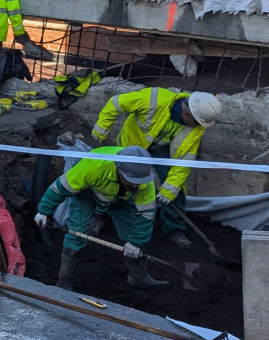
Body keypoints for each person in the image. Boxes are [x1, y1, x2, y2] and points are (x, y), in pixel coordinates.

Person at [90, 88, 222, 249]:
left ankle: (174, 230)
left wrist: (169, 190)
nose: (199, 126)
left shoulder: (197, 127)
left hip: (164, 150)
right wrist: (102, 128)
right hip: (133, 146)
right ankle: (99, 214)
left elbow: (184, 162)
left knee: (176, 191)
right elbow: (115, 103)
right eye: (197, 122)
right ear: (187, 113)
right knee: (119, 183)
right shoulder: (154, 99)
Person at [35, 145, 168, 291]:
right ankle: (64, 282)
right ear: (119, 170)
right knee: (77, 234)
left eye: (139, 182)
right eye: (131, 180)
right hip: (87, 195)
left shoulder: (143, 181)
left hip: (122, 198)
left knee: (133, 234)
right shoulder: (94, 166)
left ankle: (138, 277)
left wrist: (135, 243)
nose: (136, 184)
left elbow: (146, 214)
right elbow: (60, 188)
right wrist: (44, 211)